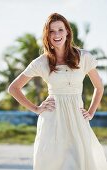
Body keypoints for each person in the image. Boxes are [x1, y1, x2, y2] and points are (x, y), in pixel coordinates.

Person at [8, 13, 107, 170]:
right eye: (52, 31)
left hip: (77, 119)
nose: (57, 35)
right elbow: (13, 88)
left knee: (78, 163)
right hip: (52, 120)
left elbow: (99, 87)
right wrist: (36, 109)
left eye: (60, 29)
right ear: (47, 35)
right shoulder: (42, 62)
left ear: (67, 31)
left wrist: (91, 112)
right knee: (54, 164)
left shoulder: (84, 57)